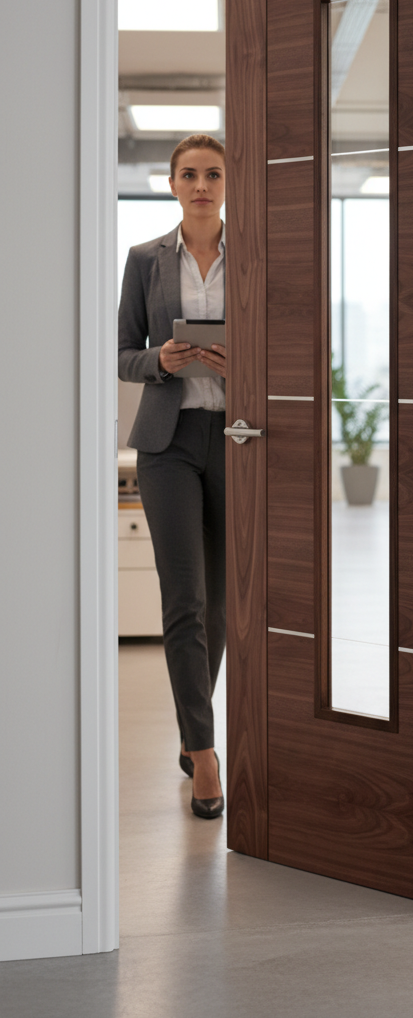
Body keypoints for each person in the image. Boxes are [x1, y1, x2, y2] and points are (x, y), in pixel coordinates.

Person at [118, 134, 227, 819]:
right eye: (188, 174)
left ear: (227, 183)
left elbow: (293, 344)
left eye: (212, 174)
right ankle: (205, 750)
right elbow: (120, 355)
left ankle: (194, 732)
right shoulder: (144, 261)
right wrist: (161, 358)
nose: (200, 185)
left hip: (241, 439)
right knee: (183, 598)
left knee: (220, 602)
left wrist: (250, 364)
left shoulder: (263, 255)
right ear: (170, 183)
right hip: (167, 444)